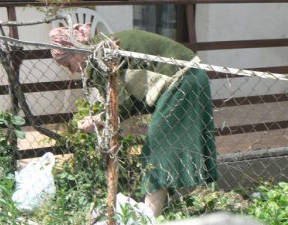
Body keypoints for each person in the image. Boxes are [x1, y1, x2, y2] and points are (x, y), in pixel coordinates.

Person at [50, 25, 218, 217]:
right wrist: (102, 118)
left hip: (183, 78)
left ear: (75, 53)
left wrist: (99, 120)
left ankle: (150, 216)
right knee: (164, 145)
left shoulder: (99, 58)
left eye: (67, 65)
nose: (71, 71)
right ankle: (166, 207)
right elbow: (126, 99)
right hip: (188, 76)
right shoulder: (101, 49)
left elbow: (119, 103)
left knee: (156, 148)